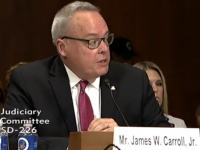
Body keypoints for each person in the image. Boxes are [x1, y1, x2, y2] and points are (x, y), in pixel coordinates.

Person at [3, 1, 171, 150]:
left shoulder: (134, 80)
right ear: (62, 47)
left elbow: (166, 137)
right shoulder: (29, 81)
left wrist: (122, 137)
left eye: (106, 39)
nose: (104, 49)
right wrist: (80, 144)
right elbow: (12, 141)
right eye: (93, 42)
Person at [134, 61, 187, 128]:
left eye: (159, 84)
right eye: (148, 84)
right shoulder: (121, 124)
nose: (155, 89)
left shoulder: (178, 124)